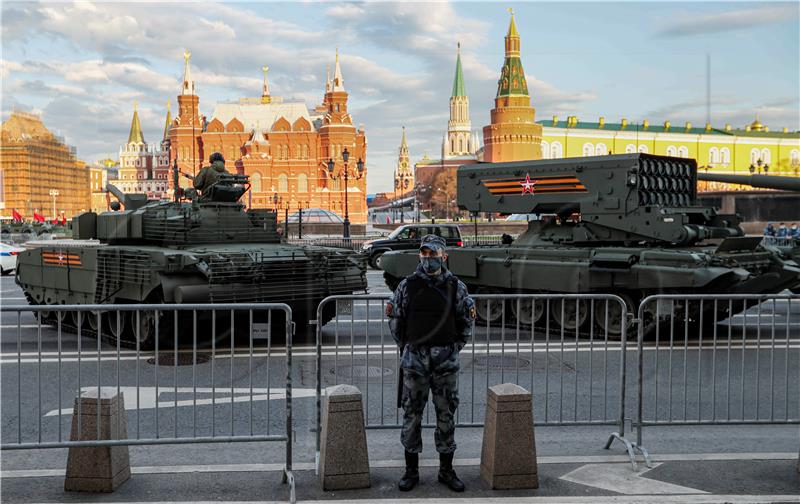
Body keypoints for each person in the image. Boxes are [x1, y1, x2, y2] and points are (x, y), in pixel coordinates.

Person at [387, 234, 475, 492]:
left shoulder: (456, 287)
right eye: (425, 254)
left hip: (445, 360)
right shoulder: (407, 286)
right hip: (415, 360)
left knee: (446, 414)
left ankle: (446, 471)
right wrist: (410, 346)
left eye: (434, 254)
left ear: (444, 256)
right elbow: (396, 321)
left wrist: (451, 348)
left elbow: (466, 323)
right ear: (420, 256)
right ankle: (411, 471)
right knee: (411, 414)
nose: (429, 259)